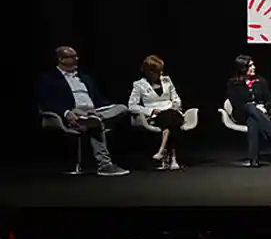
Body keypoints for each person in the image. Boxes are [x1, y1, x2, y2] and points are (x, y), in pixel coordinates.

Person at [36, 46, 129, 176]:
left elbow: (98, 99)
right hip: (74, 112)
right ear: (61, 59)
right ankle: (105, 165)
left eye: (76, 56)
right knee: (95, 124)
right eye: (72, 56)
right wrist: (66, 112)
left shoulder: (85, 78)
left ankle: (95, 119)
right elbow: (45, 101)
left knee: (122, 108)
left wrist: (107, 108)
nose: (76, 59)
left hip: (95, 111)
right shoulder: (49, 78)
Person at [225, 54, 271, 167]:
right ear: (242, 68)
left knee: (252, 121)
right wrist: (254, 107)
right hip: (240, 113)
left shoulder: (261, 81)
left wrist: (265, 109)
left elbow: (269, 101)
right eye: (250, 66)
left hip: (259, 115)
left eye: (253, 65)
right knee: (250, 107)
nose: (254, 68)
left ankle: (254, 160)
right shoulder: (233, 83)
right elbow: (236, 104)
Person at [128, 55, 186, 170]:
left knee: (171, 117)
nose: (161, 74)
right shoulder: (139, 85)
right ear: (148, 72)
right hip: (156, 115)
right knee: (170, 122)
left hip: (173, 111)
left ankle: (161, 151)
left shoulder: (167, 80)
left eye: (161, 71)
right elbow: (132, 106)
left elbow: (176, 98)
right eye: (157, 71)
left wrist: (176, 105)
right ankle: (173, 158)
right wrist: (151, 111)